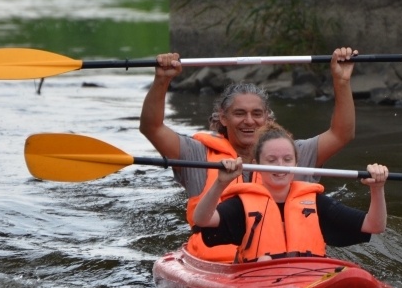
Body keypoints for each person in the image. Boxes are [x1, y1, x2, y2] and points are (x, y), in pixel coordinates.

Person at [140, 47, 359, 262]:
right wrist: (162, 80)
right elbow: (153, 128)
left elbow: (342, 134)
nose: (249, 121)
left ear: (268, 119)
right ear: (223, 118)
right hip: (216, 264)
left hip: (284, 263)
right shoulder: (197, 154)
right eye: (239, 113)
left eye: (257, 114)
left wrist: (341, 82)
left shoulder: (291, 154)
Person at [192, 124, 388, 263]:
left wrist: (377, 188)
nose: (280, 166)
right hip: (257, 277)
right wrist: (220, 183)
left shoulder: (315, 203)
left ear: (296, 164)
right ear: (257, 165)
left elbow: (375, 225)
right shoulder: (242, 205)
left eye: (287, 159)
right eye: (271, 160)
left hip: (307, 278)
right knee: (264, 261)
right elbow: (201, 220)